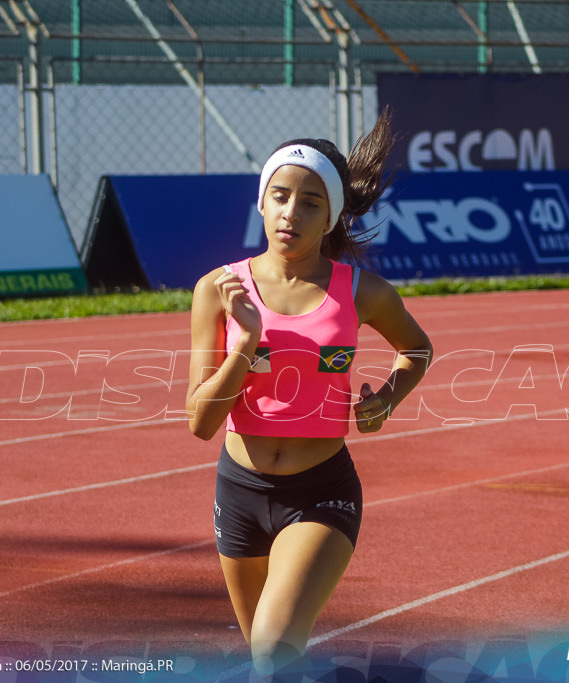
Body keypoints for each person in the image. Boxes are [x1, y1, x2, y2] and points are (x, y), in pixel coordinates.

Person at [185, 110, 433, 679]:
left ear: (333, 218)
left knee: (272, 650)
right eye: (279, 196)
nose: (290, 213)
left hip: (321, 494)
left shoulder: (362, 292)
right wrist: (244, 343)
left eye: (310, 202)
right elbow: (201, 422)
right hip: (239, 490)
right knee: (268, 662)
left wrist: (388, 398)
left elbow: (416, 350)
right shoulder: (217, 290)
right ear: (261, 203)